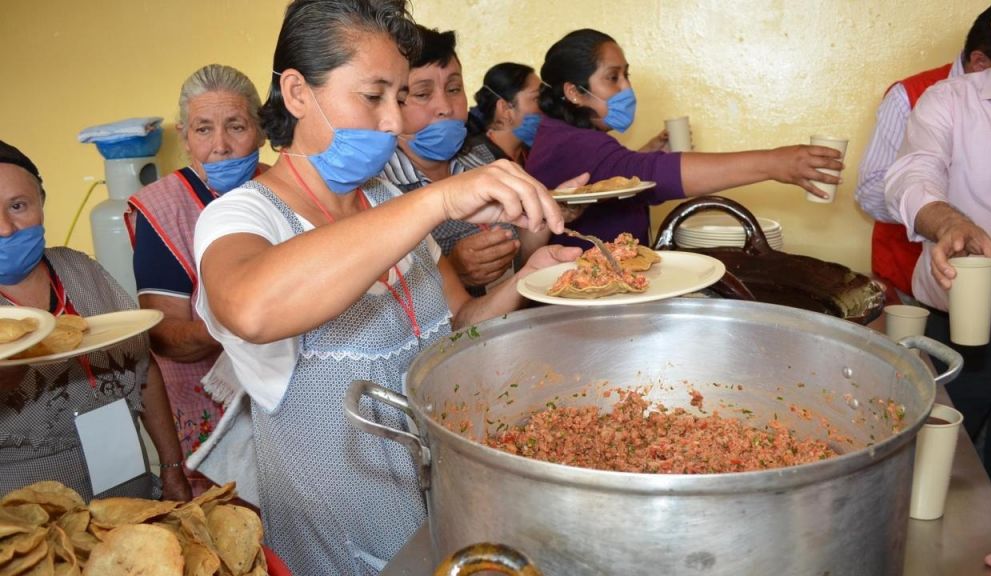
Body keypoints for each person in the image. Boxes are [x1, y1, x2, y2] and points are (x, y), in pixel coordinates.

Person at [192, 1, 574, 572]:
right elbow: (250, 306)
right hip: (339, 537)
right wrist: (437, 199)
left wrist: (527, 277)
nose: (394, 122)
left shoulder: (388, 208)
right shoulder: (243, 216)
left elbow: (455, 331)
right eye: (373, 97)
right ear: (297, 93)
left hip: (439, 499)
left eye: (399, 98)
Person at [884, 0, 991, 538]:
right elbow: (910, 175)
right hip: (956, 342)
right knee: (923, 499)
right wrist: (947, 222)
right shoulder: (951, 101)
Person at [525, 28, 845, 249]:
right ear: (573, 92)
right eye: (612, 78)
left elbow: (609, 174)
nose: (627, 89)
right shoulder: (572, 143)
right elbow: (653, 175)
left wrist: (644, 152)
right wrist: (776, 163)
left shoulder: (566, 134)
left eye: (626, 75)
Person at [0, 140, 189, 502]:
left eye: (18, 206)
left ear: (41, 202)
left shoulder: (79, 268)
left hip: (128, 493)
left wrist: (171, 467)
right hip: (31, 519)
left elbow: (143, 367)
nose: (6, 228)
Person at [124, 64, 267, 496]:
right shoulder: (162, 209)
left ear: (261, 132)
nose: (220, 146)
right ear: (185, 139)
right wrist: (244, 321)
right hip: (207, 410)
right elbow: (165, 336)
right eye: (203, 130)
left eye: (236, 126)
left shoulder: (282, 190)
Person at [379, 27, 578, 295]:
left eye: (453, 88)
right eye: (423, 93)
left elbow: (518, 260)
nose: (445, 107)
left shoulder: (483, 162)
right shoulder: (380, 187)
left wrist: (549, 213)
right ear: (392, 101)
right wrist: (452, 270)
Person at [855, 2, 991, 299]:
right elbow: (870, 191)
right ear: (980, 63)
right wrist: (938, 211)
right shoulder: (910, 95)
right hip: (909, 282)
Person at [466, 62, 542, 165]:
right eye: (537, 98)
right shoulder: (476, 160)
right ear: (505, 108)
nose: (546, 104)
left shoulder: (531, 151)